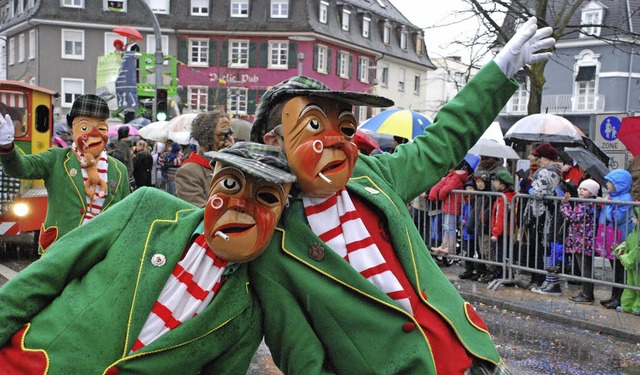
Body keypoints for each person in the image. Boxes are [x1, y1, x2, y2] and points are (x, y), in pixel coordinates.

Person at [248, 17, 554, 374]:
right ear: (274, 142)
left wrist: (500, 70)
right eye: (314, 126)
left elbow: (443, 140)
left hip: (474, 358)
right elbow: (303, 361)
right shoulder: (274, 245)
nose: (335, 142)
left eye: (343, 127)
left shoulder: (371, 174)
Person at [0, 142, 296, 374]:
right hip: (33, 364)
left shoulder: (248, 308)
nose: (241, 204)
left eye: (266, 197)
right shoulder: (149, 207)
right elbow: (47, 273)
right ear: (212, 184)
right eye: (230, 185)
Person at [0, 94, 130, 254]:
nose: (94, 133)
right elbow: (20, 168)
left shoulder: (119, 169)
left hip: (101, 255)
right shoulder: (56, 159)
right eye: (85, 127)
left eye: (101, 128)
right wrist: (7, 147)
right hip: (60, 250)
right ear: (72, 130)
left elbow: (126, 215)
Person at [521, 143, 563, 293]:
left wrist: (528, 187)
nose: (539, 160)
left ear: (546, 158)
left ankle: (540, 279)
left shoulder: (547, 172)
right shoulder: (556, 171)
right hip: (544, 213)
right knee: (541, 247)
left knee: (539, 247)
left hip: (541, 214)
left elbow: (539, 193)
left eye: (541, 157)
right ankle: (544, 279)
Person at [176, 111, 235, 207]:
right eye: (221, 135)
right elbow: (199, 212)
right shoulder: (188, 172)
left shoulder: (231, 166)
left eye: (229, 135)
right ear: (206, 138)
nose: (227, 140)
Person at [597, 169, 635, 309]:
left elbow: (615, 217)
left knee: (620, 269)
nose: (607, 184)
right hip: (613, 237)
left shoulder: (625, 199)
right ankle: (614, 296)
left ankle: (619, 298)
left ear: (618, 184)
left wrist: (607, 204)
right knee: (615, 269)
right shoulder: (615, 197)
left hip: (620, 238)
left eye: (610, 182)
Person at [560, 179, 600, 304]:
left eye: (585, 189)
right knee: (585, 267)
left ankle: (588, 294)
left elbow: (570, 217)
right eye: (581, 188)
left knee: (585, 268)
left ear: (592, 193)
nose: (581, 191)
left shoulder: (585, 205)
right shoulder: (585, 203)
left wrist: (565, 204)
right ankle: (586, 293)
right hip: (580, 241)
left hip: (583, 242)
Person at [428, 159, 471, 254]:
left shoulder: (456, 177)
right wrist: (433, 193)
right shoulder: (452, 175)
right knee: (446, 226)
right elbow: (440, 185)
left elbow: (446, 188)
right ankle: (444, 246)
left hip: (453, 206)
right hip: (449, 205)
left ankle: (450, 248)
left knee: (450, 227)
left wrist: (440, 196)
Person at [488, 169, 517, 282]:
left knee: (501, 256)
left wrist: (495, 233)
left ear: (501, 183)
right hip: (508, 232)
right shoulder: (510, 196)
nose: (494, 184)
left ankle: (501, 276)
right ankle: (508, 275)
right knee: (506, 255)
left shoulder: (503, 199)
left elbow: (500, 218)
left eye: (495, 181)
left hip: (502, 233)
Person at [614, 206, 640, 315]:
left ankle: (637, 307)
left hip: (635, 262)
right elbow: (629, 241)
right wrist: (621, 248)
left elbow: (637, 250)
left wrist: (626, 259)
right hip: (632, 263)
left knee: (638, 286)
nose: (632, 220)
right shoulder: (635, 230)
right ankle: (627, 305)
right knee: (630, 285)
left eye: (634, 217)